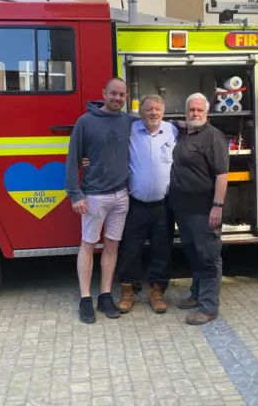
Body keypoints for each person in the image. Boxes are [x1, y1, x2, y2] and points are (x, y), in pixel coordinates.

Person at [65, 77, 138, 324]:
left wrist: (180, 123)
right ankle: (85, 298)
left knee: (112, 246)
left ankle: (105, 294)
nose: (118, 98)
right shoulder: (85, 122)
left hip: (121, 195)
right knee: (88, 245)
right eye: (113, 93)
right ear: (104, 93)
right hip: (94, 195)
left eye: (122, 95)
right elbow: (73, 159)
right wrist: (75, 193)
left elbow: (154, 121)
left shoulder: (129, 121)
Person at [168, 92, 229, 325]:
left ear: (206, 113)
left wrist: (217, 207)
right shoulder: (184, 133)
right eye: (191, 110)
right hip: (183, 209)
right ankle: (196, 295)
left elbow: (222, 176)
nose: (195, 113)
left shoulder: (213, 138)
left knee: (209, 257)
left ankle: (209, 307)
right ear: (185, 112)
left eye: (199, 110)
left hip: (204, 210)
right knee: (193, 255)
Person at [116, 94, 178, 314]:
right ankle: (128, 292)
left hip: (163, 205)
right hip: (136, 204)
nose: (153, 113)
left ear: (163, 112)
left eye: (157, 110)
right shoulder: (130, 131)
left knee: (162, 250)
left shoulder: (173, 131)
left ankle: (157, 292)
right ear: (140, 113)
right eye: (149, 109)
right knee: (130, 249)